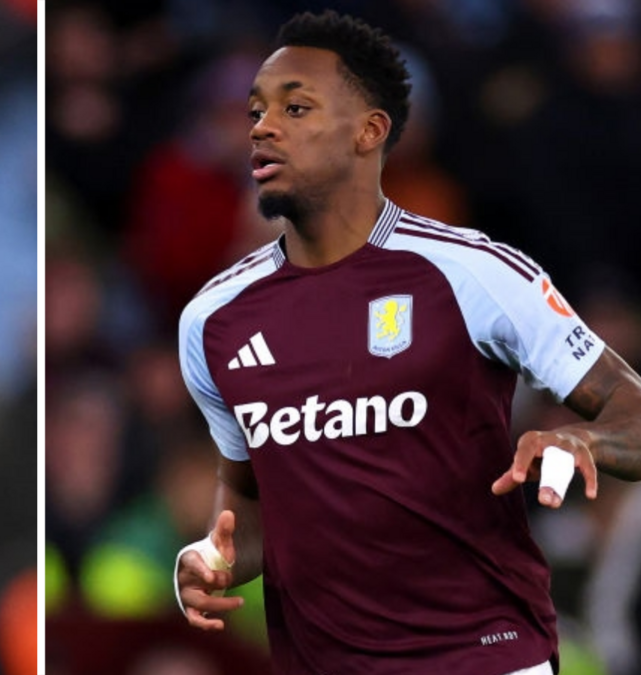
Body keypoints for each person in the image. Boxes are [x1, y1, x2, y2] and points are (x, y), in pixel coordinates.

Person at [173, 10, 641, 675]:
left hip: (483, 659)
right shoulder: (212, 320)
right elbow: (248, 505)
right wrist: (210, 560)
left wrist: (583, 440)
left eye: (295, 107)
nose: (262, 127)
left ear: (370, 132)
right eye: (255, 111)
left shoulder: (472, 272)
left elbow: (635, 408)